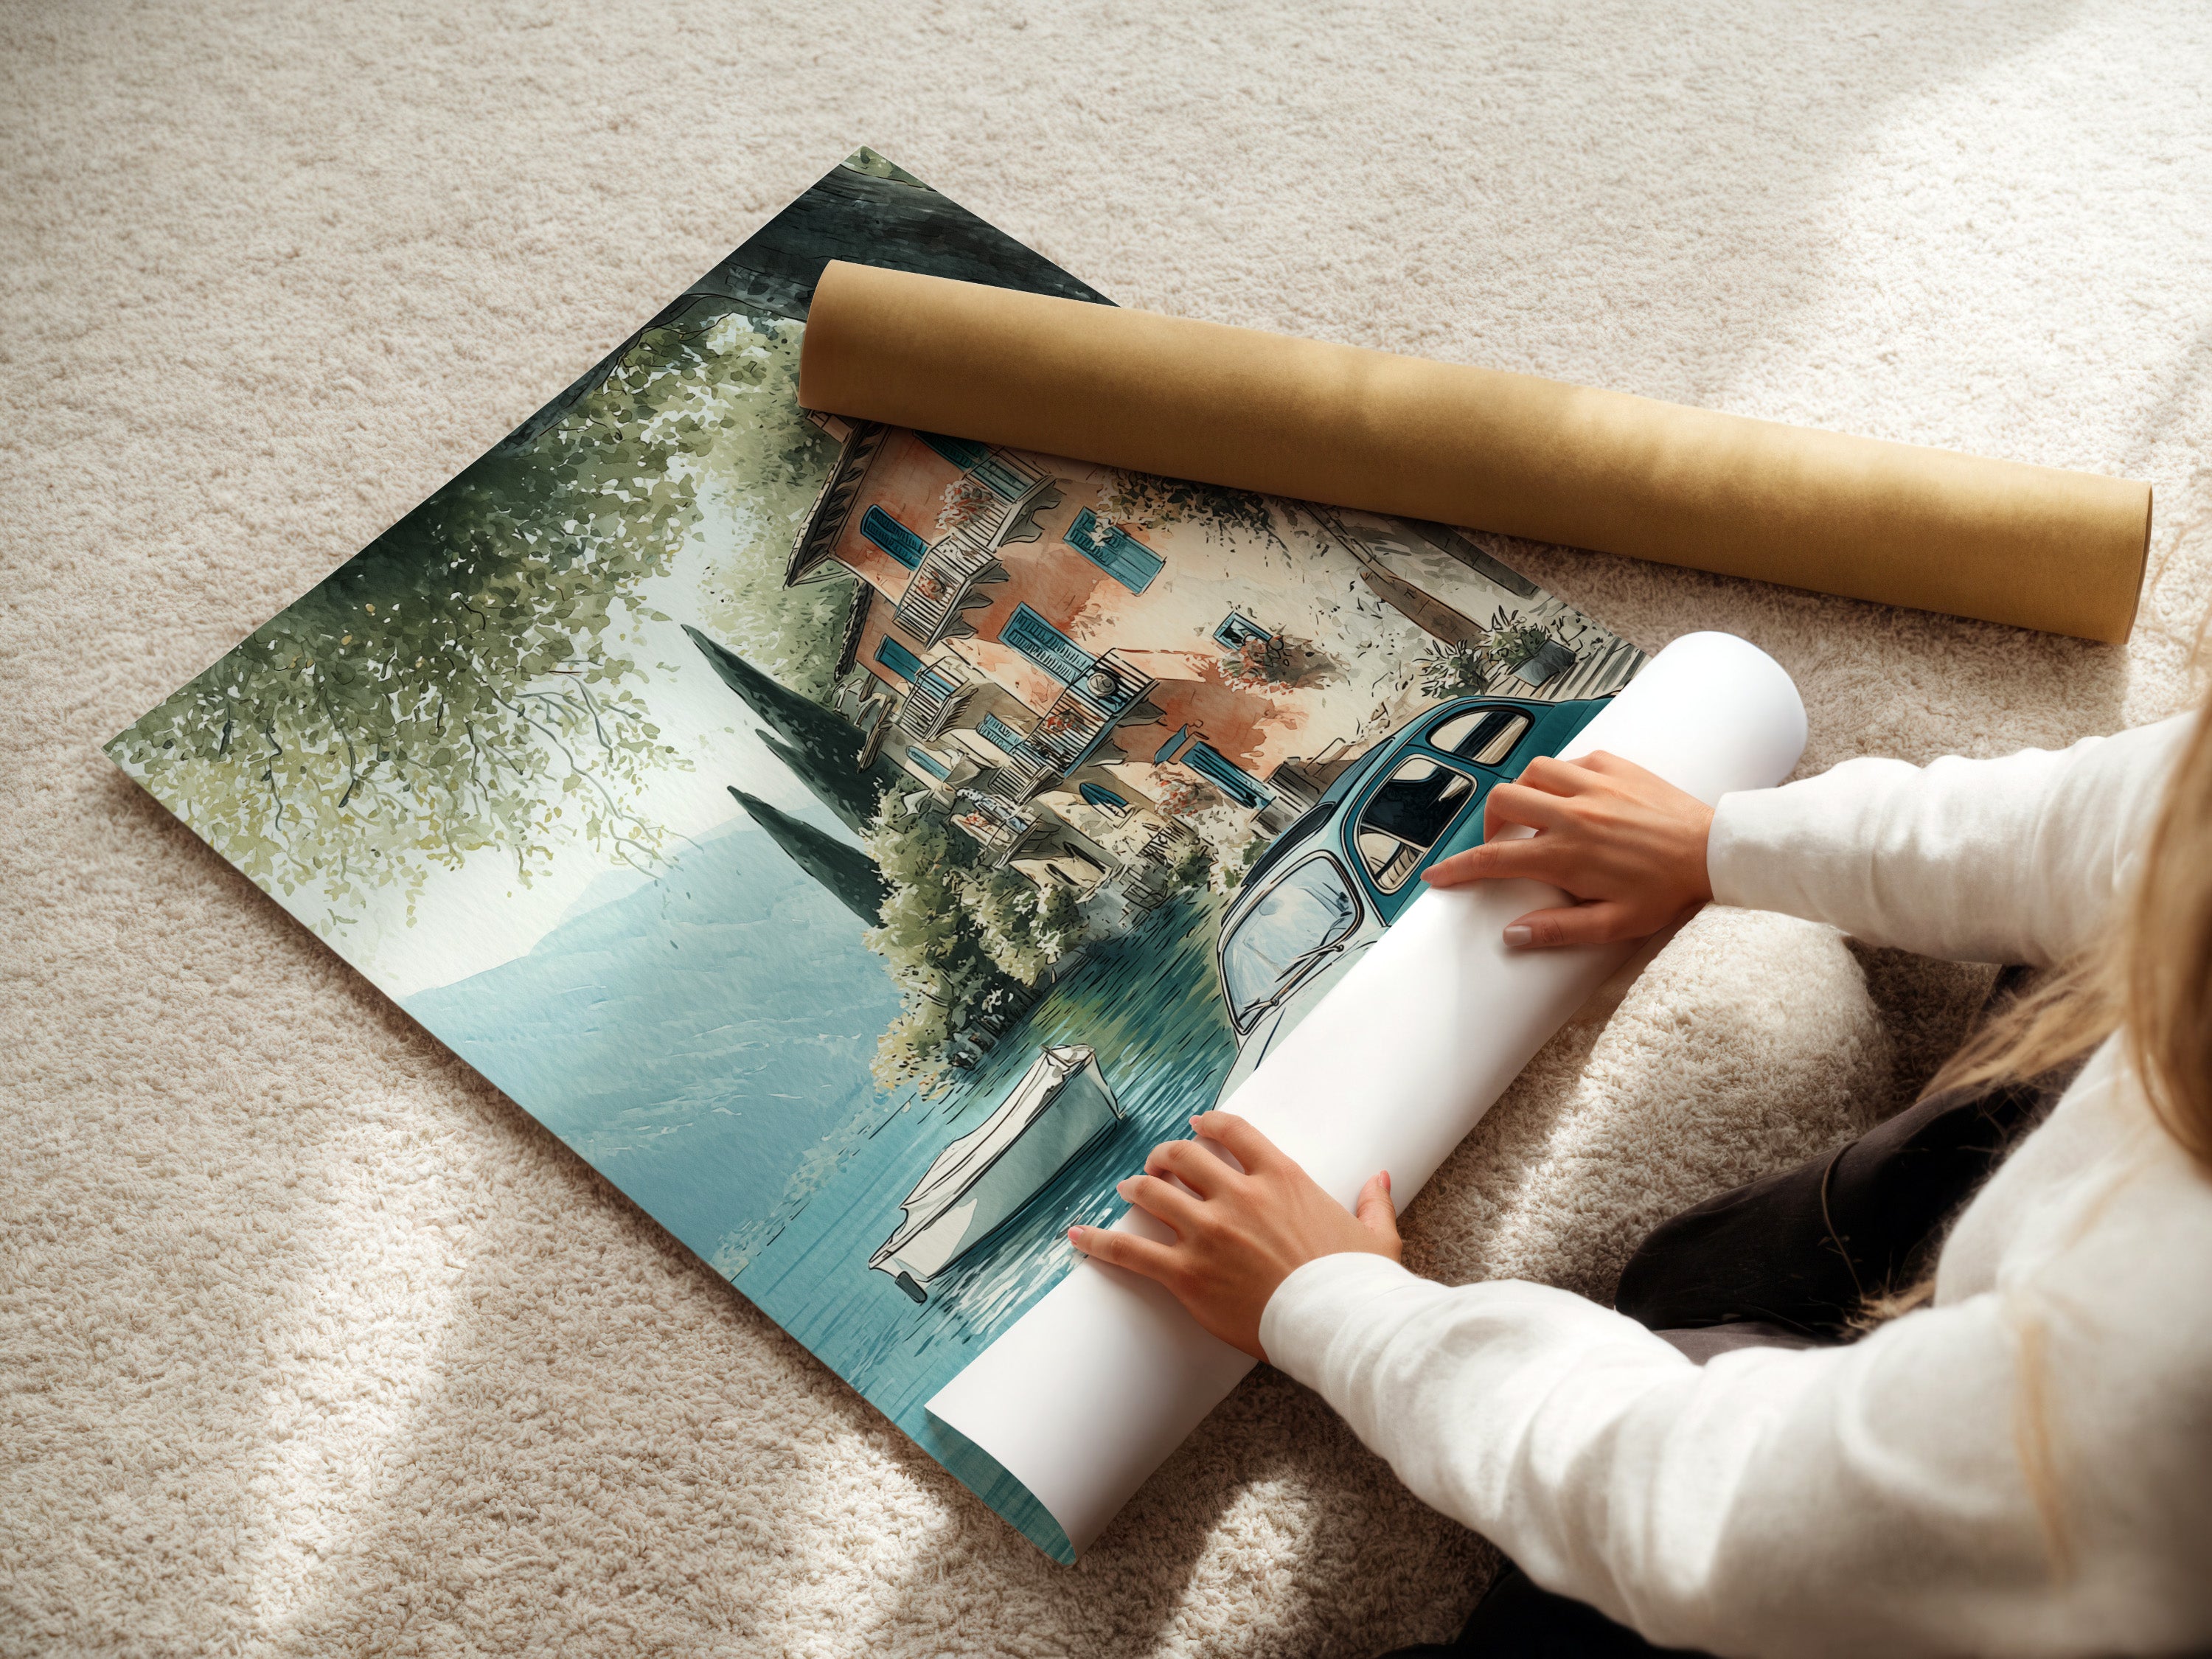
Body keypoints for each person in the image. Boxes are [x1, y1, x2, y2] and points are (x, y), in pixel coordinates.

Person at [1069, 702, 2212, 1657]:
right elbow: (2123, 816)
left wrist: (1338, 1307)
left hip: (2049, 1551)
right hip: (2053, 1312)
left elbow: (1717, 1512)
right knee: (1699, 1275)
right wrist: (1722, 841)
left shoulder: (2155, 1379)